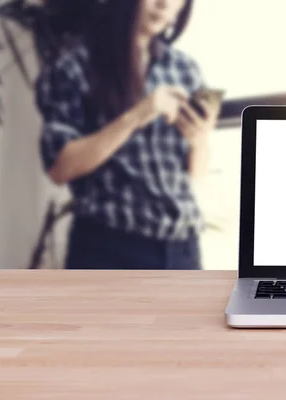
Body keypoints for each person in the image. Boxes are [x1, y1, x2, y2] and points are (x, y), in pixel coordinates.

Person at [35, 0, 217, 270]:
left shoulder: (184, 69)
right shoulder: (74, 65)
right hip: (110, 248)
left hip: (183, 249)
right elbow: (60, 167)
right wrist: (137, 116)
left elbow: (193, 177)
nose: (164, 4)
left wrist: (199, 141)